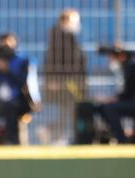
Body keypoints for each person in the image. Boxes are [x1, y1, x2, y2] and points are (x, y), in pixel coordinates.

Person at [44, 8, 86, 144]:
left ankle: (56, 133)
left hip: (72, 81)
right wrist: (50, 79)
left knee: (71, 110)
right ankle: (54, 133)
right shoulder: (57, 38)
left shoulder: (69, 37)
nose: (77, 24)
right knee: (68, 109)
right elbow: (51, 60)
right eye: (74, 21)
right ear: (65, 21)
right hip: (64, 82)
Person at [96, 47, 135, 143]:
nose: (110, 60)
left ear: (121, 56)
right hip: (130, 101)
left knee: (108, 108)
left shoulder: (130, 68)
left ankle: (122, 139)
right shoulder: (126, 68)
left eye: (112, 57)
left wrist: (110, 99)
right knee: (102, 107)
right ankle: (118, 136)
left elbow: (127, 93)